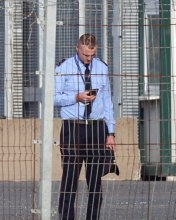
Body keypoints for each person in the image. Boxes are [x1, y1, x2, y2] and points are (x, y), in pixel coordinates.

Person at [54, 33, 116, 220]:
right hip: (73, 128)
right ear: (77, 49)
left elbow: (107, 101)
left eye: (92, 55)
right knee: (70, 178)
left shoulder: (101, 67)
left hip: (97, 128)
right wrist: (76, 97)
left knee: (95, 181)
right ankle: (66, 217)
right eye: (85, 55)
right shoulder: (64, 67)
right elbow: (52, 98)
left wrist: (111, 132)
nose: (88, 59)